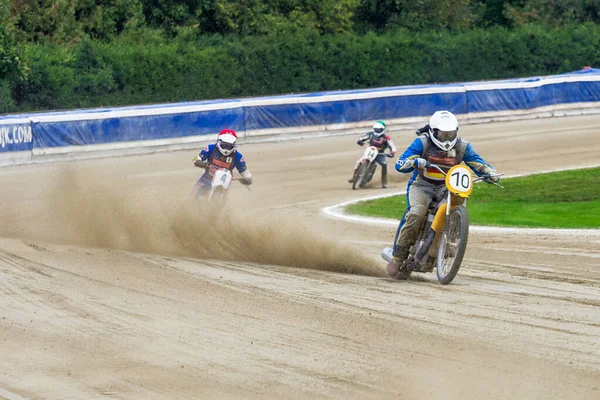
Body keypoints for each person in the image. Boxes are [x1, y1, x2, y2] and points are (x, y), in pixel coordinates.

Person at [387, 110, 500, 278]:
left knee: (457, 205)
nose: (447, 138)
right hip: (422, 186)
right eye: (443, 134)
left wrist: (490, 173)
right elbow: (401, 163)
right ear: (433, 132)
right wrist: (415, 161)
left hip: (448, 187)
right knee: (417, 213)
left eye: (451, 134)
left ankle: (449, 243)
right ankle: (397, 257)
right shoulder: (422, 143)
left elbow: (478, 163)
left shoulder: (462, 146)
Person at [193, 129, 252, 193]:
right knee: (192, 197)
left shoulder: (238, 157)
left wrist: (248, 179)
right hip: (205, 180)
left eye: (229, 146)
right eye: (224, 145)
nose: (226, 149)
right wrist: (200, 162)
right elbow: (196, 158)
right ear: (219, 142)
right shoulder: (210, 148)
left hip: (223, 186)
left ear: (234, 146)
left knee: (221, 201)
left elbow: (244, 171)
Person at [348, 120, 396, 188]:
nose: (377, 131)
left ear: (382, 130)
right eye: (375, 129)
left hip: (380, 154)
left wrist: (392, 153)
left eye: (379, 130)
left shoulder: (386, 137)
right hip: (371, 151)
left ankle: (384, 182)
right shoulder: (370, 134)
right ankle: (354, 177)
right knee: (359, 162)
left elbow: (392, 146)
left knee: (384, 164)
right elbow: (361, 138)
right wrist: (361, 142)